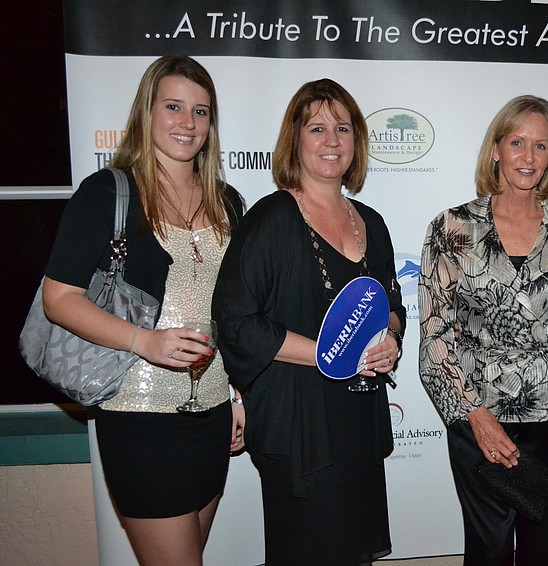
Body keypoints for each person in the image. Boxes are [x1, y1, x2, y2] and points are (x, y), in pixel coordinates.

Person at [41, 55, 245, 565]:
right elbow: (59, 299)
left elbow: (236, 311)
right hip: (138, 416)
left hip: (213, 410)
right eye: (173, 107)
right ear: (147, 112)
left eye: (200, 111)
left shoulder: (229, 202)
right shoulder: (107, 193)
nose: (187, 122)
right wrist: (145, 341)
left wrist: (239, 394)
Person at [212, 78, 404, 566]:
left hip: (359, 420)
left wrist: (391, 337)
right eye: (317, 128)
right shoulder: (272, 218)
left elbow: (392, 303)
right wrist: (325, 355)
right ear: (294, 140)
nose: (331, 140)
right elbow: (235, 321)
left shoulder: (371, 222)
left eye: (343, 128)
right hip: (299, 426)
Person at [419, 95, 548, 566]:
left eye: (541, 145)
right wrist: (476, 416)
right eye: (517, 143)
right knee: (488, 553)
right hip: (479, 419)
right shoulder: (453, 227)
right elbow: (434, 338)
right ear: (495, 149)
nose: (528, 157)